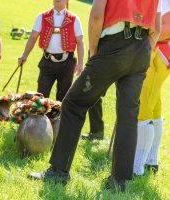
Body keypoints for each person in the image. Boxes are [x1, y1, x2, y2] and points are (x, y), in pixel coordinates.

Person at [28, 0, 161, 191]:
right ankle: (119, 182)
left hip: (114, 45)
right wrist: (146, 48)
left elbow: (97, 14)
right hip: (141, 48)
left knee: (73, 104)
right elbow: (156, 25)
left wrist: (94, 52)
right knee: (128, 116)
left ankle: (59, 170)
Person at [18, 0, 84, 101]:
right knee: (41, 96)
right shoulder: (42, 16)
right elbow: (33, 37)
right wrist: (24, 55)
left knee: (63, 97)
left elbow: (80, 42)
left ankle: (59, 117)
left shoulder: (74, 19)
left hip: (67, 63)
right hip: (47, 61)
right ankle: (41, 117)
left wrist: (80, 64)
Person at [134, 0, 170, 176]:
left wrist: (140, 31)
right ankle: (150, 160)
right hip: (158, 52)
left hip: (160, 53)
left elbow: (165, 29)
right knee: (154, 105)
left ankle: (137, 165)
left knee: (145, 104)